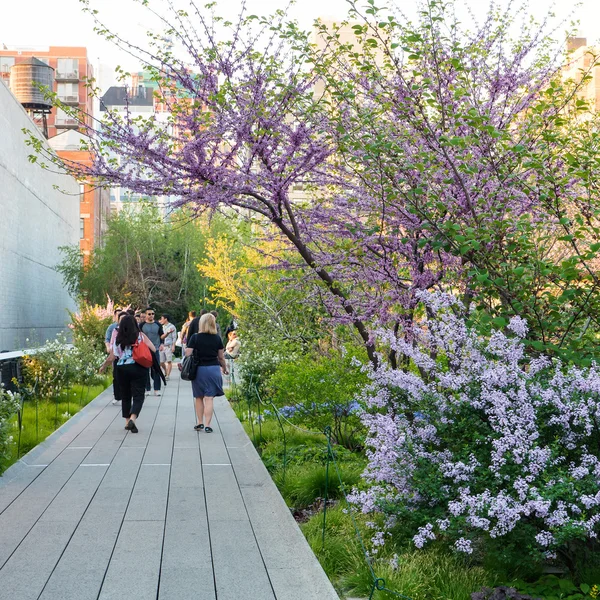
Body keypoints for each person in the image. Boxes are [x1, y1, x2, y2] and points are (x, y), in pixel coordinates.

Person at [99, 314, 156, 433]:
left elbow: (112, 356)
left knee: (125, 396)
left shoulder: (117, 339)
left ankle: (126, 422)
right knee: (138, 395)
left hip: (121, 368)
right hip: (138, 367)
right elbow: (153, 349)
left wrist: (104, 366)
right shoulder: (140, 336)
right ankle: (133, 418)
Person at [185, 313, 228, 433]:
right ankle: (208, 425)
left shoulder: (195, 337)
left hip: (199, 370)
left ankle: (200, 423)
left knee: (199, 397)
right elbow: (221, 357)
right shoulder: (217, 338)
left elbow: (188, 353)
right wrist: (224, 368)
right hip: (213, 369)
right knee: (209, 398)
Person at [140, 308, 164, 395]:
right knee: (146, 369)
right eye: (149, 314)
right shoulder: (141, 325)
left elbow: (161, 335)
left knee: (156, 369)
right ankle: (147, 388)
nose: (151, 315)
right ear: (145, 315)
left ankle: (157, 389)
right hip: (145, 350)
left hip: (155, 349)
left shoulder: (158, 324)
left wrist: (162, 344)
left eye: (152, 314)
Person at [109, 311, 128, 406]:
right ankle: (117, 396)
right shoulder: (115, 330)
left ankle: (127, 396)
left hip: (129, 358)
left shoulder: (132, 330)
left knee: (127, 378)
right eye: (121, 319)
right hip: (118, 357)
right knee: (116, 377)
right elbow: (112, 343)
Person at [159, 314, 177, 380]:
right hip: (162, 346)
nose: (161, 320)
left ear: (165, 319)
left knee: (169, 361)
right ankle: (165, 371)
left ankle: (168, 375)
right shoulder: (161, 327)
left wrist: (173, 346)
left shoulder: (172, 326)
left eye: (162, 318)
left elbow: (174, 337)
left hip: (169, 345)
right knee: (161, 362)